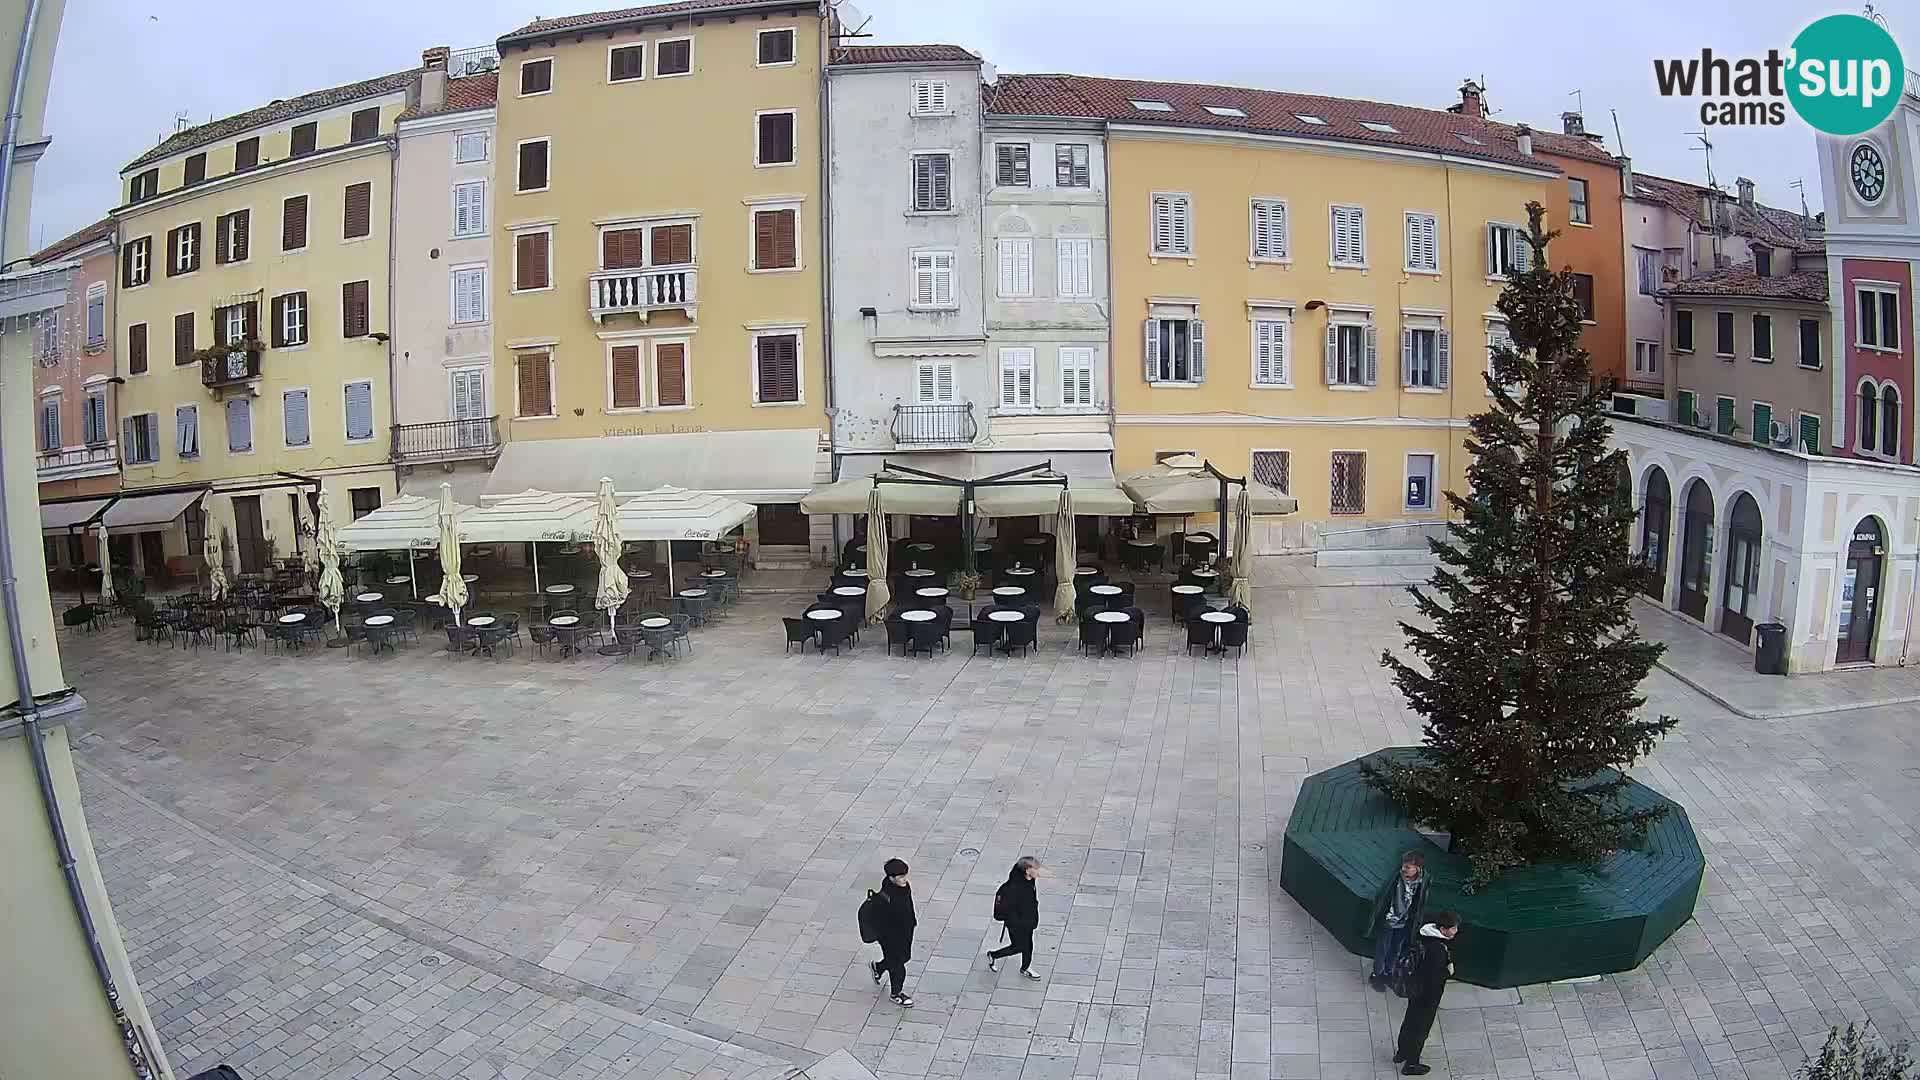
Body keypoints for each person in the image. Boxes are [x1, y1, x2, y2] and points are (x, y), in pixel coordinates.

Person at [1395, 910, 1460, 1075]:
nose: (1455, 931)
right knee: (1421, 1028)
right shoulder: (1437, 949)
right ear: (1444, 929)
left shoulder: (1423, 936)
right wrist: (1448, 972)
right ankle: (1411, 1064)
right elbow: (1434, 977)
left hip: (1414, 989)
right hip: (1427, 995)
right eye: (1453, 928)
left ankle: (1401, 1053)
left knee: (1409, 1021)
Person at [1367, 850, 1428, 992]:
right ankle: (1377, 974)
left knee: (1396, 948)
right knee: (1383, 947)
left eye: (1408, 867)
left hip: (1405, 921)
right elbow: (1383, 896)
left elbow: (1419, 901)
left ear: (1417, 868)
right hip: (1390, 919)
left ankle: (1388, 972)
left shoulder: (1422, 880)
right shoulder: (1396, 878)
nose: (1403, 869)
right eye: (1403, 866)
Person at [866, 858, 917, 1008]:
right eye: (900, 877)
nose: (904, 879)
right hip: (891, 937)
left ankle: (878, 967)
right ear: (891, 878)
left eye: (905, 875)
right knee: (898, 965)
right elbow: (881, 920)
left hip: (906, 931)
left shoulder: (904, 887)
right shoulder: (885, 898)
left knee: (904, 957)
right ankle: (896, 993)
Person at [986, 856, 1043, 979]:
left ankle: (1026, 968)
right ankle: (994, 955)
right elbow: (1009, 910)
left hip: (1028, 921)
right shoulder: (1013, 888)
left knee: (1028, 945)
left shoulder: (1030, 880)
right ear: (1027, 870)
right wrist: (1020, 922)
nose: (1038, 872)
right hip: (1017, 924)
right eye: (1036, 869)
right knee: (1019, 946)